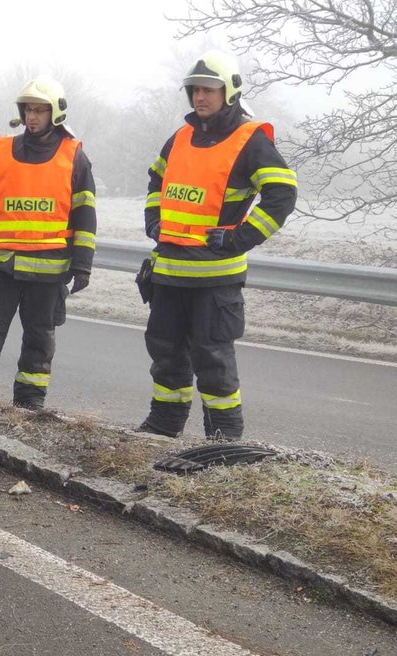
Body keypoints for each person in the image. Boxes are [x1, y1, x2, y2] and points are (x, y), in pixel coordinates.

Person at [138, 50, 297, 439]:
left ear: (230, 92)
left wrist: (241, 237)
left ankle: (224, 436)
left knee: (212, 358)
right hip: (170, 273)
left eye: (208, 90)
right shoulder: (180, 137)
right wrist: (154, 221)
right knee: (166, 353)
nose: (200, 98)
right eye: (194, 90)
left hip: (215, 277)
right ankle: (163, 425)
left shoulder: (249, 138)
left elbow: (283, 192)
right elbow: (157, 182)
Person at [0, 77, 97, 411]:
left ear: (55, 113)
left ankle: (29, 403)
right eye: (28, 110)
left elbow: (86, 216)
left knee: (39, 338)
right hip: (4, 265)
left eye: (40, 110)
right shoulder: (3, 151)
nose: (32, 117)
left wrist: (82, 265)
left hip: (49, 270)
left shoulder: (75, 156)